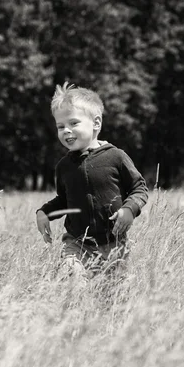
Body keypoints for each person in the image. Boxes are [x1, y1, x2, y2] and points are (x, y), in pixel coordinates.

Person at [36, 82, 148, 277]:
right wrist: (44, 213)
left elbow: (139, 188)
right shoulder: (64, 166)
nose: (66, 131)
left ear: (96, 123)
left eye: (73, 123)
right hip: (76, 243)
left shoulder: (116, 156)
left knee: (112, 298)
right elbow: (64, 200)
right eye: (60, 126)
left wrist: (129, 209)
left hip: (114, 244)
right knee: (72, 280)